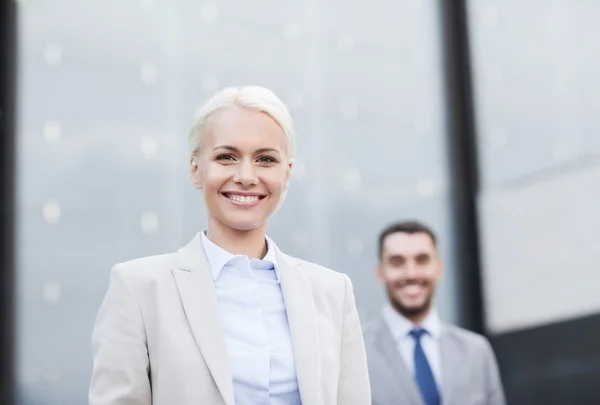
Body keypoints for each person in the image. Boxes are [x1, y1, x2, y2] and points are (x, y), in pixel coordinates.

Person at [89, 86, 371, 405]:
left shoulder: (333, 293)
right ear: (196, 169)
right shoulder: (138, 289)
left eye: (265, 159)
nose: (246, 176)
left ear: (287, 174)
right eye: (226, 157)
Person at [364, 220, 505, 405]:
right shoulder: (358, 352)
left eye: (422, 260)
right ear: (380, 272)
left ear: (439, 268)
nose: (411, 274)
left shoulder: (476, 351)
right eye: (397, 262)